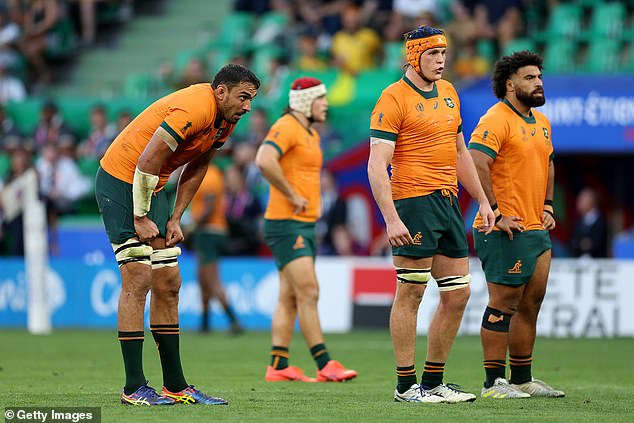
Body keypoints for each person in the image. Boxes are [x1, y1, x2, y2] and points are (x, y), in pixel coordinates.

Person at [95, 63, 260, 406]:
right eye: (243, 98)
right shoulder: (195, 108)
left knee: (169, 282)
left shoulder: (225, 121)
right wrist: (140, 217)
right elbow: (147, 159)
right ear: (221, 92)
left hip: (154, 186)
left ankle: (175, 384)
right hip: (121, 179)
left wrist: (176, 218)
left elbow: (198, 164)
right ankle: (133, 387)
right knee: (138, 278)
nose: (248, 107)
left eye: (251, 100)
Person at [367, 25, 494, 403]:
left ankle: (434, 381)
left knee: (458, 295)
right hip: (413, 202)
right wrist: (391, 218)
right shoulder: (392, 98)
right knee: (411, 290)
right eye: (433, 54)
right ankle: (406, 387)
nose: (441, 61)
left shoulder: (450, 92)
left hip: (448, 202)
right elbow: (377, 166)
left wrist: (484, 201)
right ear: (413, 56)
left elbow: (460, 155)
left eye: (444, 54)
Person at [468, 50, 565, 399]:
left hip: (536, 229)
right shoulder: (496, 119)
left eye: (539, 77)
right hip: (505, 228)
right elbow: (476, 159)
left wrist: (548, 205)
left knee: (531, 302)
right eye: (529, 77)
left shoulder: (542, 122)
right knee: (504, 302)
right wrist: (494, 210)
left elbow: (549, 163)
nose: (538, 82)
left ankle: (522, 378)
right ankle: (493, 383)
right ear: (510, 85)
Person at [255, 77, 358, 383]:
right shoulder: (287, 126)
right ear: (304, 102)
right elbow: (263, 159)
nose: (326, 103)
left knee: (289, 296)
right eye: (321, 98)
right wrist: (291, 193)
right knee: (309, 291)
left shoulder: (309, 132)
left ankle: (278, 364)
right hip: (286, 223)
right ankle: (325, 364)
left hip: (302, 223)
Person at [188, 162, 244, 334]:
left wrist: (192, 226)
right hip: (209, 232)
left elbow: (210, 207)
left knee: (211, 280)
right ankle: (205, 324)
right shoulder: (211, 173)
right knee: (203, 279)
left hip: (209, 232)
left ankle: (234, 321)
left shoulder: (208, 176)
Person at [569, 187, 608, 258]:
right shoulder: (578, 221)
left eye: (581, 200)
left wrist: (586, 244)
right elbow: (573, 242)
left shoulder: (601, 221)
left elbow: (597, 243)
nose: (578, 203)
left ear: (591, 201)